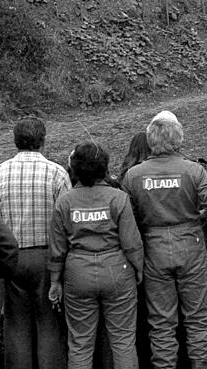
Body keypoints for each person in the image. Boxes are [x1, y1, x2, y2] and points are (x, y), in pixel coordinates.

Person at [122, 111, 207, 369]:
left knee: (160, 321)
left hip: (153, 247)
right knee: (198, 317)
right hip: (190, 244)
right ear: (179, 141)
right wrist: (200, 216)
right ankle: (202, 363)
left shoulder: (133, 176)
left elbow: (128, 218)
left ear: (151, 141)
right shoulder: (193, 170)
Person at [48, 142, 144, 369]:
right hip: (116, 269)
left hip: (77, 271)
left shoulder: (65, 201)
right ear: (104, 167)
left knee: (80, 343)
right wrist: (138, 267)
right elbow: (131, 241)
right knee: (123, 341)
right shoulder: (118, 198)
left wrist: (54, 280)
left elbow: (57, 246)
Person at [0, 116, 69, 369]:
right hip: (47, 257)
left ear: (15, 141)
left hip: (11, 257)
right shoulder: (57, 173)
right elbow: (66, 221)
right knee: (49, 322)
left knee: (16, 324)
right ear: (43, 140)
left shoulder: (0, 172)